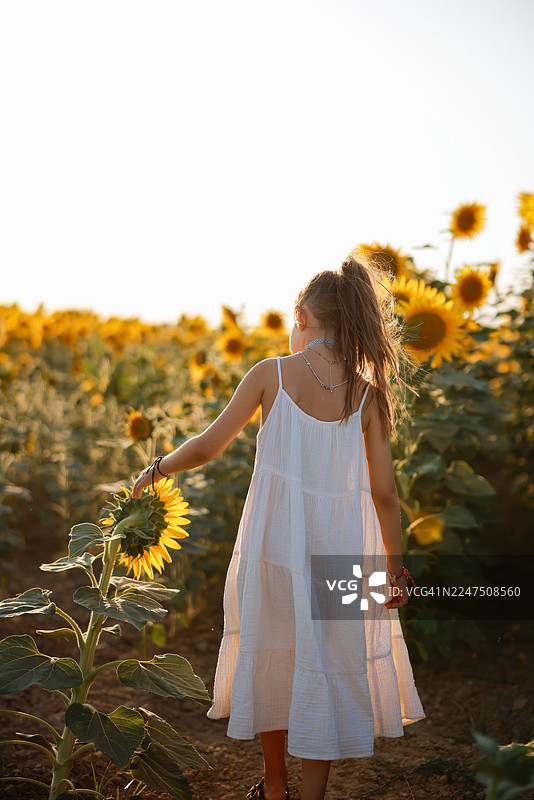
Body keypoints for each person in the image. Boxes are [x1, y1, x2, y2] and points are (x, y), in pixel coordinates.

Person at [132, 254, 426, 800]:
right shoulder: (367, 394)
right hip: (340, 553)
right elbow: (385, 496)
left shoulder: (270, 373)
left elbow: (208, 446)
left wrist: (156, 469)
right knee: (326, 660)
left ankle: (274, 787)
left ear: (301, 316)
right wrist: (391, 568)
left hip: (272, 546)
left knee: (271, 652)